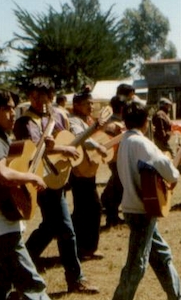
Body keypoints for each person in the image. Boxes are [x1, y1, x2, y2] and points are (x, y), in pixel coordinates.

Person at [13, 82, 99, 294]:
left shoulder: (59, 116)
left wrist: (68, 150)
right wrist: (61, 148)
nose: (39, 100)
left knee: (50, 228)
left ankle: (18, 265)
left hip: (58, 177)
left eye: (44, 96)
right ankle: (75, 278)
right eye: (35, 96)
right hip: (40, 180)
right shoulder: (25, 122)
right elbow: (34, 151)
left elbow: (70, 139)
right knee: (66, 230)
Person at [0, 88, 51, 300]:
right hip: (1, 229)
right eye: (6, 109)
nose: (13, 113)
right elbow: (3, 175)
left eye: (13, 108)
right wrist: (31, 178)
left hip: (0, 226)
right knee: (33, 285)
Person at [112, 101, 181, 300]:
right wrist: (177, 162)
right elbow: (168, 171)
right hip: (142, 209)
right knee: (137, 264)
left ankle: (177, 295)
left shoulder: (124, 141)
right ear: (146, 121)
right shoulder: (142, 144)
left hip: (134, 207)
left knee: (161, 254)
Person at [68, 90, 107, 259]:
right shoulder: (73, 121)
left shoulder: (88, 120)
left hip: (88, 170)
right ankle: (83, 248)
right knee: (87, 209)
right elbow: (80, 137)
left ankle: (87, 248)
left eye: (92, 103)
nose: (91, 106)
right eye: (87, 103)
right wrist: (97, 147)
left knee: (89, 209)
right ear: (76, 105)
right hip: (79, 171)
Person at [100, 95, 126, 228]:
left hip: (118, 159)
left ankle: (108, 209)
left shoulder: (116, 123)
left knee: (117, 186)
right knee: (118, 188)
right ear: (122, 107)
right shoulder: (114, 125)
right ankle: (111, 215)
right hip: (116, 159)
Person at [152, 97, 181, 174]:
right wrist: (164, 137)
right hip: (161, 139)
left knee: (169, 155)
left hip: (162, 139)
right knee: (172, 154)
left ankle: (178, 170)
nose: (169, 108)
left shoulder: (163, 114)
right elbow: (160, 127)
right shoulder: (160, 115)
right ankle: (178, 170)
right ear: (164, 105)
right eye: (168, 106)